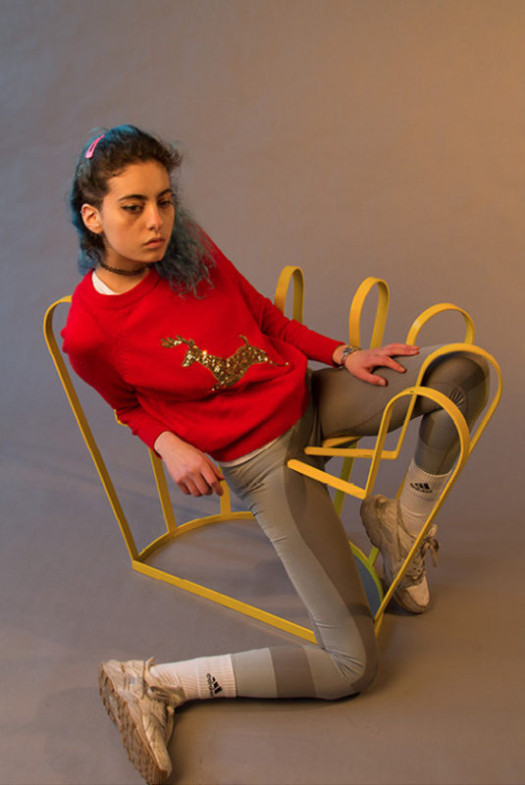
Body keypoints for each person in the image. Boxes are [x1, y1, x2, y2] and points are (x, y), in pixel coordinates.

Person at [62, 125, 489, 785]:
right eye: (133, 206)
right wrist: (170, 444)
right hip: (262, 460)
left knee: (462, 373)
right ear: (93, 217)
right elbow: (125, 404)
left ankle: (402, 525)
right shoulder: (89, 331)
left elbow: (264, 317)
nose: (156, 222)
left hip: (306, 397)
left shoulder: (188, 244)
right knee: (351, 666)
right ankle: (155, 683)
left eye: (165, 201)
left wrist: (342, 353)